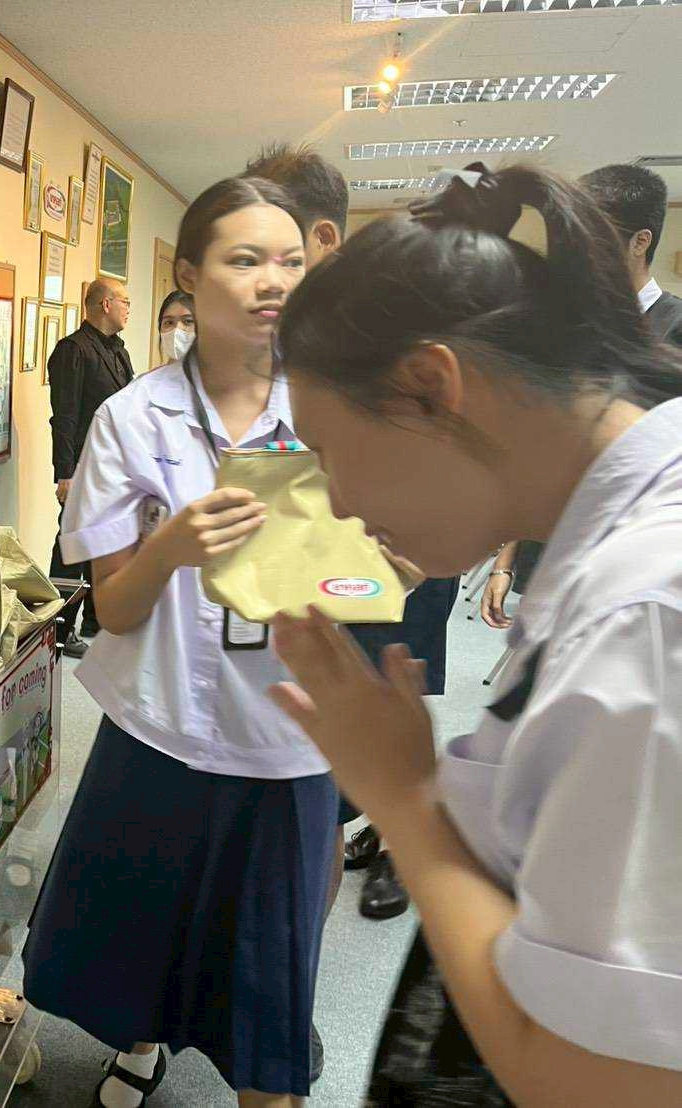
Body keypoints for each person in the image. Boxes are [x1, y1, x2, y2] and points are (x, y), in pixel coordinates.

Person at [273, 163, 682, 1103]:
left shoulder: (645, 617)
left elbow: (590, 1080)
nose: (331, 496)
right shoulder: (600, 548)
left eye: (328, 449)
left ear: (428, 388)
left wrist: (401, 794)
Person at [25, 177, 331, 1108]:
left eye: (289, 261)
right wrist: (171, 544)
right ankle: (141, 1044)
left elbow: (368, 583)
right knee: (141, 939)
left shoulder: (336, 413)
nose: (271, 281)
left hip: (287, 742)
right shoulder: (133, 417)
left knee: (268, 990)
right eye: (244, 260)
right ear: (188, 280)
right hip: (161, 732)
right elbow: (112, 608)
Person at [244, 141, 459, 925]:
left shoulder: (392, 330)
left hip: (378, 571)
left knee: (332, 771)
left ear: (325, 240)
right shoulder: (276, 334)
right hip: (290, 577)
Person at [483, 162, 682, 629]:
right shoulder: (564, 332)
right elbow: (537, 451)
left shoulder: (674, 333)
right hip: (555, 557)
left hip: (645, 575)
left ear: (640, 242)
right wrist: (504, 561)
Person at [48, 277, 135, 658]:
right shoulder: (73, 351)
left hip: (114, 465)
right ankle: (61, 629)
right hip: (81, 466)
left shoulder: (118, 351)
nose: (129, 308)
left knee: (108, 540)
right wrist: (63, 473)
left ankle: (95, 619)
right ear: (105, 304)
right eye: (125, 301)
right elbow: (64, 417)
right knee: (73, 547)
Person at [153, 289, 196, 370]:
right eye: (169, 322)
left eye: (188, 321)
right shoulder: (146, 382)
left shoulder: (220, 380)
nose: (176, 330)